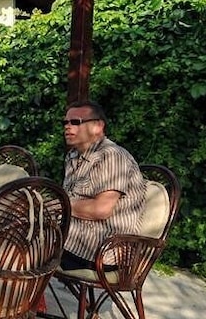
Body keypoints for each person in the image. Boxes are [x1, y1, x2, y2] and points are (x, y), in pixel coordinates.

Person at [61, 100, 147, 271]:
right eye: (65, 122)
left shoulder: (112, 156)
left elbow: (101, 209)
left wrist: (59, 204)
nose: (68, 126)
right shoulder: (72, 156)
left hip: (99, 251)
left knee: (21, 245)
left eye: (76, 122)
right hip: (71, 239)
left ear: (98, 126)